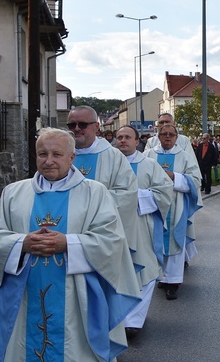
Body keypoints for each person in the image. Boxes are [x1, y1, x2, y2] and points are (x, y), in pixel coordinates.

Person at [0, 128, 141, 362]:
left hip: (77, 305)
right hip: (23, 302)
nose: (49, 161)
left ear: (71, 157)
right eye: (43, 154)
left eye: (56, 154)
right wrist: (22, 243)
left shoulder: (94, 192)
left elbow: (113, 241)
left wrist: (69, 243)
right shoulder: (14, 193)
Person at [115, 125, 174, 337]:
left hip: (141, 227)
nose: (122, 140)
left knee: (144, 269)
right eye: (119, 137)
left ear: (137, 141)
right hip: (112, 228)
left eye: (127, 137)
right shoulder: (109, 165)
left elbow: (165, 191)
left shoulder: (149, 165)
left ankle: (134, 321)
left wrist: (130, 197)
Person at [68, 106, 139, 280]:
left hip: (100, 236)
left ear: (96, 127)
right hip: (66, 236)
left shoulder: (113, 156)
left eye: (83, 124)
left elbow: (127, 193)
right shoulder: (61, 154)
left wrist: (88, 204)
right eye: (72, 125)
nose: (77, 128)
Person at [145, 124, 203, 300]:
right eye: (164, 134)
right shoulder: (148, 155)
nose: (167, 137)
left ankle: (174, 282)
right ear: (158, 136)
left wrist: (174, 177)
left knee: (175, 242)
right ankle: (162, 276)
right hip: (153, 206)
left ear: (177, 138)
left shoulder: (184, 157)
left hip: (176, 205)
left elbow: (195, 180)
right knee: (155, 242)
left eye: (171, 135)